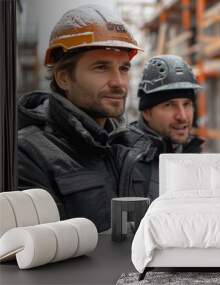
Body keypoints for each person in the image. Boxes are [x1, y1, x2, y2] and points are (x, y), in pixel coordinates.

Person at [17, 4, 142, 232]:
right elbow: (40, 254)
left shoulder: (127, 147)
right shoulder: (28, 153)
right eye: (101, 67)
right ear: (64, 78)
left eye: (123, 68)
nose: (119, 82)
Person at [112, 55, 205, 201]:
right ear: (147, 113)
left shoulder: (190, 152)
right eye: (169, 105)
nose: (182, 116)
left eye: (187, 104)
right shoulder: (124, 157)